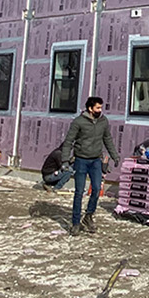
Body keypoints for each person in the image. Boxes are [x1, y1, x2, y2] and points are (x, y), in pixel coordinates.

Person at [63, 96, 116, 233]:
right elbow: (68, 141)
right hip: (81, 160)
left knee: (97, 189)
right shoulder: (78, 122)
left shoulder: (103, 121)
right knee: (79, 192)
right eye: (98, 107)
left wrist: (114, 155)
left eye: (101, 107)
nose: (100, 110)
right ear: (90, 108)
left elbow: (107, 139)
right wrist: (64, 160)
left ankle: (88, 216)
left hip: (96, 161)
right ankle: (75, 223)